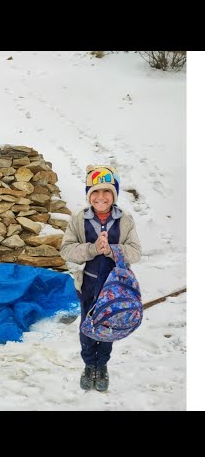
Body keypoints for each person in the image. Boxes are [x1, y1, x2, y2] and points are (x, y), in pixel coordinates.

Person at [60, 165, 141, 392]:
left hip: (115, 288)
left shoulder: (125, 220)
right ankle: (89, 365)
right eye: (95, 191)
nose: (101, 196)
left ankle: (102, 365)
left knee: (108, 327)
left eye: (107, 191)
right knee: (87, 328)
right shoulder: (79, 219)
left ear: (114, 194)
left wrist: (113, 250)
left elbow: (136, 251)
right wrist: (93, 249)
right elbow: (66, 250)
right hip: (88, 284)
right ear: (89, 195)